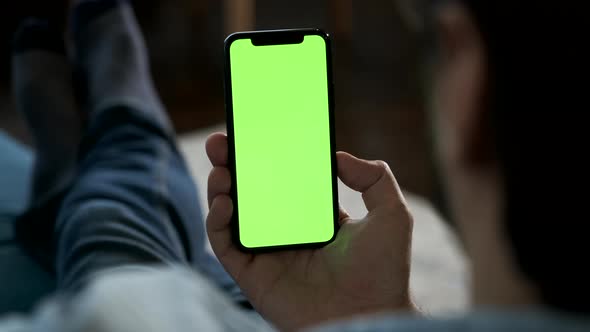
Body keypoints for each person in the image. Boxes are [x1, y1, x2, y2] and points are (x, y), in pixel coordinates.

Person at [1, 0, 589, 331]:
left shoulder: (132, 317)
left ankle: (118, 125)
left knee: (123, 237)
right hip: (282, 312)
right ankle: (107, 128)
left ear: (470, 84)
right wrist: (368, 317)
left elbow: (125, 306)